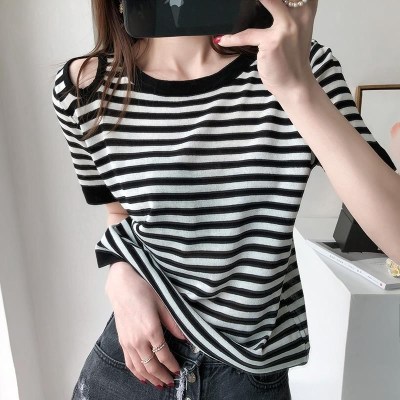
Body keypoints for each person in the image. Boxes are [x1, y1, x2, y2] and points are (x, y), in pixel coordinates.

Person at [51, 0, 400, 399]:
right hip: (137, 359)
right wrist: (121, 278)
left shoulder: (301, 65)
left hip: (246, 373)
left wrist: (296, 87)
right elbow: (119, 211)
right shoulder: (83, 87)